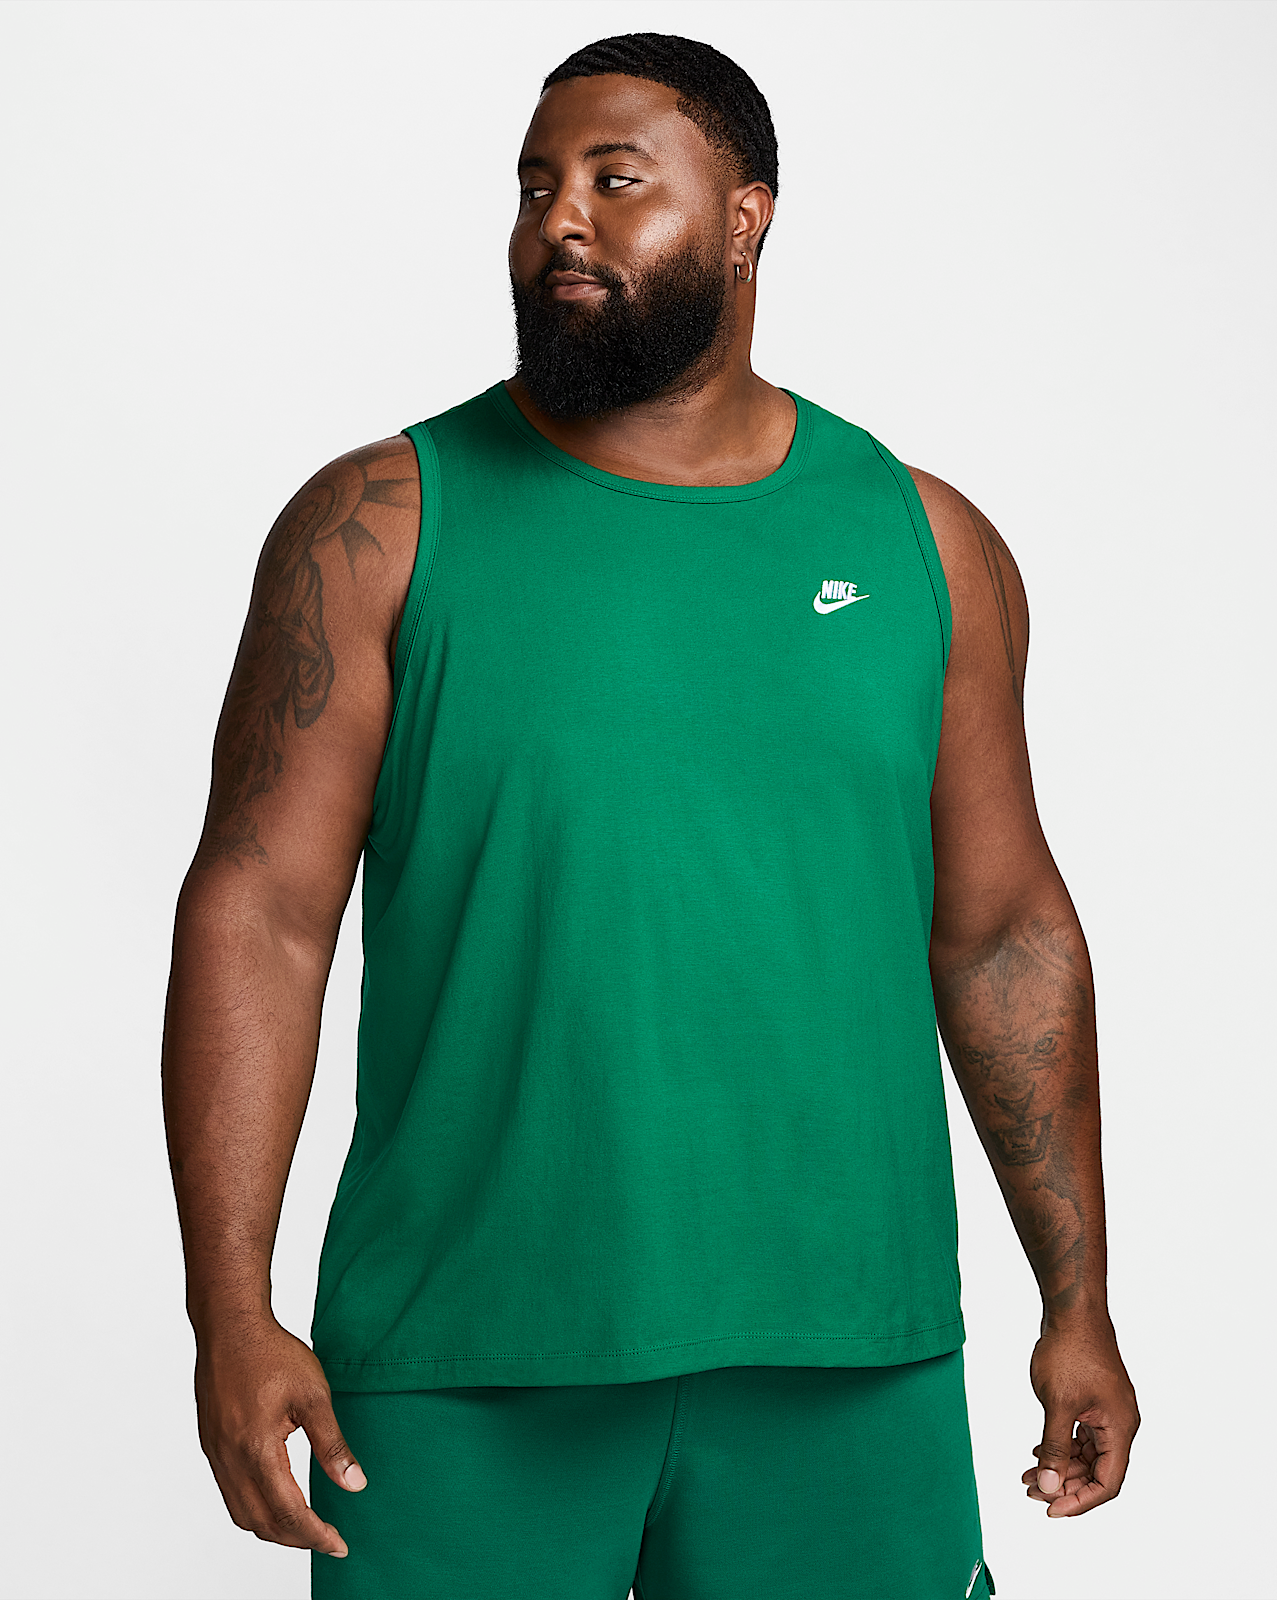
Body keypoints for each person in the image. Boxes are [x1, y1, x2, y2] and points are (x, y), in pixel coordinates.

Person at [162, 32, 1139, 1600]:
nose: (562, 218)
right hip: (462, 1356)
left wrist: (1075, 1299)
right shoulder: (380, 529)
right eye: (537, 184)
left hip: (848, 1352)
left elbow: (1003, 931)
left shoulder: (924, 542)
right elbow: (259, 915)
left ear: (747, 220)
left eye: (618, 182)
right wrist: (230, 1306)